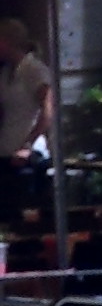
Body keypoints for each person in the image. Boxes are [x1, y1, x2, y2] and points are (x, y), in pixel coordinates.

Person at [0, 14, 50, 219]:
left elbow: (47, 111)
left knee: (23, 213)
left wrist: (28, 146)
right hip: (6, 148)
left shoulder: (34, 70)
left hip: (27, 152)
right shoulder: (6, 72)